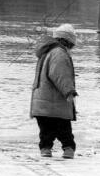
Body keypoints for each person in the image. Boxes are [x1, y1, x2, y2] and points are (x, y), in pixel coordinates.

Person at [30, 23, 78, 159]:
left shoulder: (48, 51)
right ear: (68, 41)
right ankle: (68, 150)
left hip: (42, 100)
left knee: (46, 130)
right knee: (63, 127)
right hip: (54, 100)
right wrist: (69, 91)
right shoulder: (59, 53)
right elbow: (59, 74)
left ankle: (45, 150)